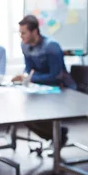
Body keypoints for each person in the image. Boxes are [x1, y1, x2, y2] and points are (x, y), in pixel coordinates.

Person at [12, 14, 76, 145]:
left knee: (33, 114)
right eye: (20, 33)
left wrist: (30, 79)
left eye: (23, 33)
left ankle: (58, 135)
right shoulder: (24, 46)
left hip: (61, 89)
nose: (21, 36)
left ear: (34, 31)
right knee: (22, 113)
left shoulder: (51, 46)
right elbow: (29, 70)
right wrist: (25, 78)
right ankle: (57, 135)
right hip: (40, 88)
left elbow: (56, 76)